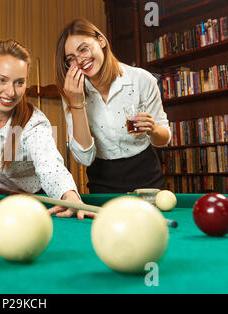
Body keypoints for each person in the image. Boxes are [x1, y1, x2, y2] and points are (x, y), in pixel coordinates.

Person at [0, 39, 94, 220]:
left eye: (19, 82)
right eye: (2, 80)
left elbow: (50, 166)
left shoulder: (34, 125)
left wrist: (70, 197)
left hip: (34, 205)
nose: (11, 92)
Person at [55, 18, 171, 194]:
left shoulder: (142, 79)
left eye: (84, 49)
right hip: (102, 181)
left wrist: (153, 128)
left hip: (147, 176)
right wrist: (76, 103)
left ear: (101, 41)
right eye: (71, 58)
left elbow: (163, 140)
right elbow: (84, 158)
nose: (80, 60)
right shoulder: (72, 93)